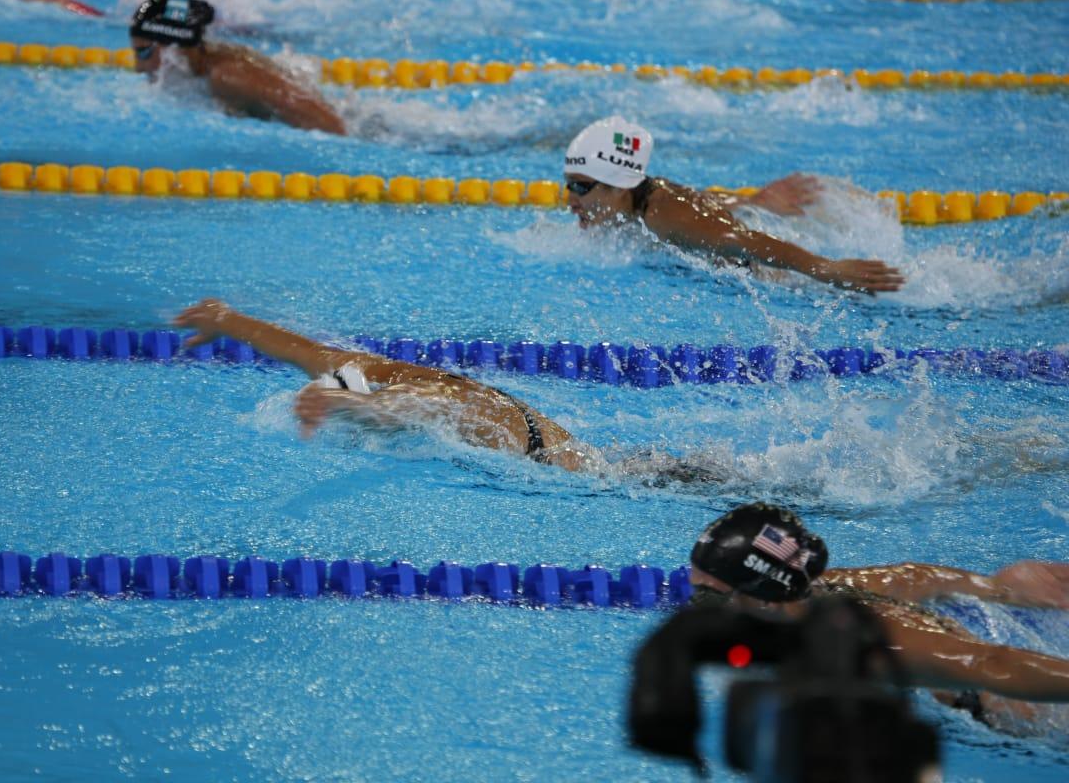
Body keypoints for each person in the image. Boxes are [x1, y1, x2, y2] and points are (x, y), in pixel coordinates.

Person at [174, 298, 725, 481]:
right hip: (603, 465)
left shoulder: (454, 401)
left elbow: (409, 410)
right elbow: (309, 354)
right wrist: (229, 321)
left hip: (596, 484)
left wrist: (344, 404)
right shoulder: (385, 370)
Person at [688, 503, 1069, 727]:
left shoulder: (868, 647)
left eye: (708, 597)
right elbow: (910, 576)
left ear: (765, 599)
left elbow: (992, 664)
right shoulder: (814, 588)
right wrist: (996, 588)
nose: (694, 605)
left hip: (1019, 719)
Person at [563, 117, 905, 294]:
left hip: (770, 281)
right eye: (568, 184)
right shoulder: (644, 197)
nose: (569, 199)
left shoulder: (662, 215)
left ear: (618, 186)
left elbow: (741, 241)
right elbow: (698, 203)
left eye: (580, 187)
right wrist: (750, 200)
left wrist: (825, 269)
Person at [129, 0, 346, 135]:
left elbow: (330, 124)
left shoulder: (228, 76)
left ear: (174, 48)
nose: (139, 68)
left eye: (144, 52)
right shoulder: (207, 61)